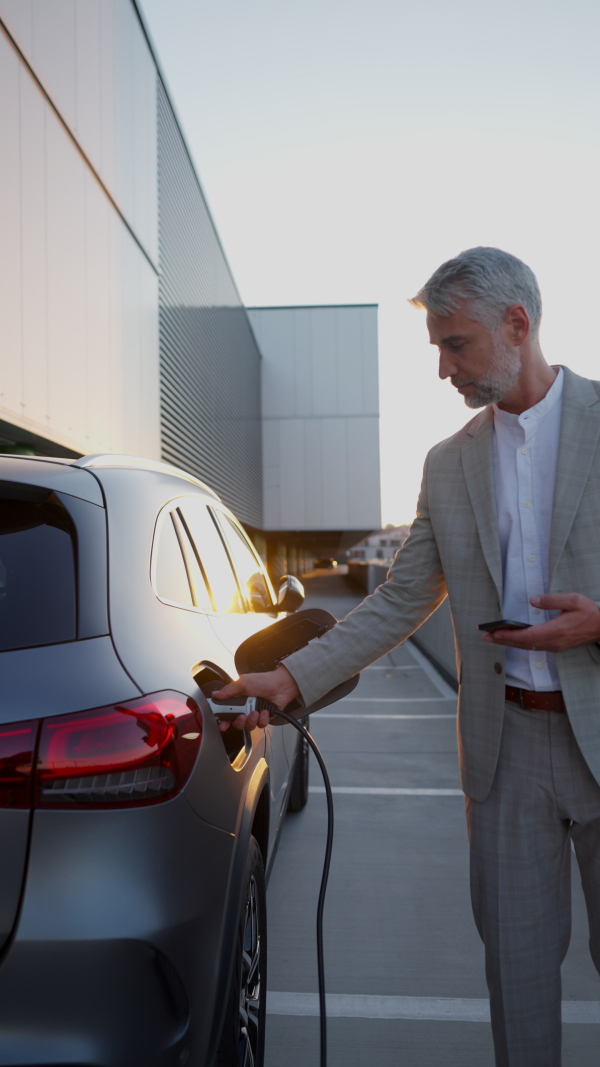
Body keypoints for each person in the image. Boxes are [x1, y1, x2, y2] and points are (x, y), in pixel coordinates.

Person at [215, 246, 600, 1067]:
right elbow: (400, 598)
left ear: (517, 323)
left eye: (454, 344)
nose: (442, 368)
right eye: (436, 347)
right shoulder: (449, 461)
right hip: (506, 756)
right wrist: (292, 679)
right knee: (519, 984)